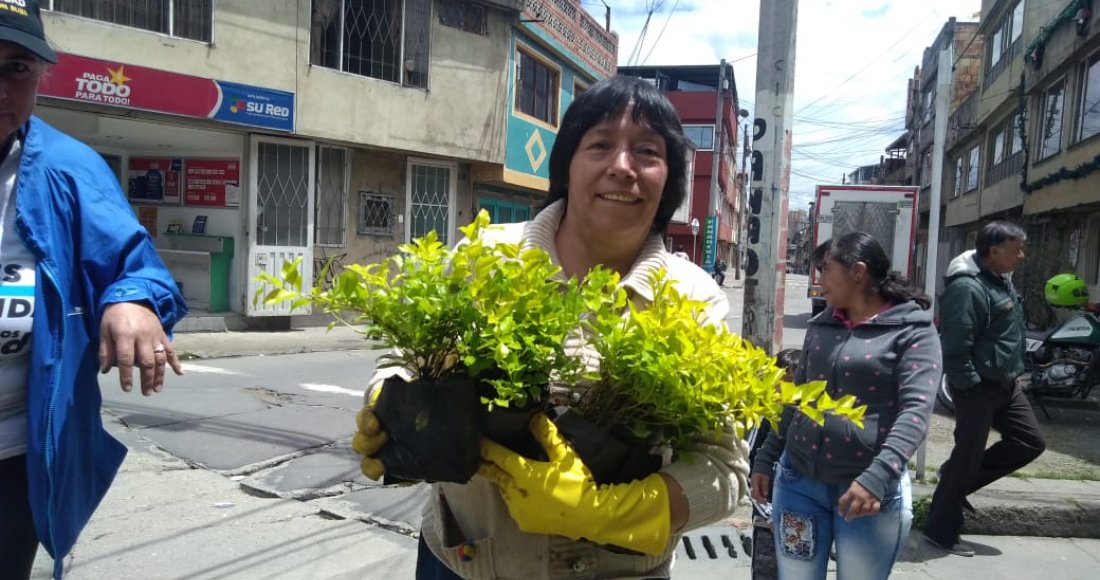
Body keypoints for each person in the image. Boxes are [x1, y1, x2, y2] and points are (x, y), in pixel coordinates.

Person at [356, 75, 747, 579]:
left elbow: (724, 467)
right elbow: (405, 361)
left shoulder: (694, 300)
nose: (622, 168)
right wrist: (389, 402)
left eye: (647, 152)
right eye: (600, 144)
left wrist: (606, 512)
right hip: (463, 565)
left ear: (669, 178)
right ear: (566, 165)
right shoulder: (483, 256)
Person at [0, 4, 188, 579]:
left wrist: (131, 299)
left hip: (12, 459)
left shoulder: (67, 169)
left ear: (41, 78)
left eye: (16, 68)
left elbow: (138, 267)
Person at [749, 233, 940, 580]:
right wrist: (766, 457)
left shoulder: (913, 330)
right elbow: (800, 398)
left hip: (866, 492)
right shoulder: (822, 325)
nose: (819, 279)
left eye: (825, 269)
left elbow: (915, 413)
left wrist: (877, 479)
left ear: (858, 272)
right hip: (798, 484)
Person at [924, 221, 1045, 557]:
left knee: (1030, 442)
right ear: (994, 251)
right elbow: (955, 346)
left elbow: (1007, 332)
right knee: (968, 456)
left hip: (1006, 384)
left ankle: (954, 480)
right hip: (977, 387)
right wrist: (971, 386)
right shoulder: (968, 287)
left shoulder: (999, 279)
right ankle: (941, 531)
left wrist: (1012, 371)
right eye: (1015, 249)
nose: (1021, 255)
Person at [748, 348, 800, 580]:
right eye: (781, 381)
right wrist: (768, 514)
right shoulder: (763, 420)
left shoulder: (804, 420)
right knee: (766, 571)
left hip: (799, 516)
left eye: (793, 383)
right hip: (766, 518)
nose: (785, 390)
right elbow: (749, 469)